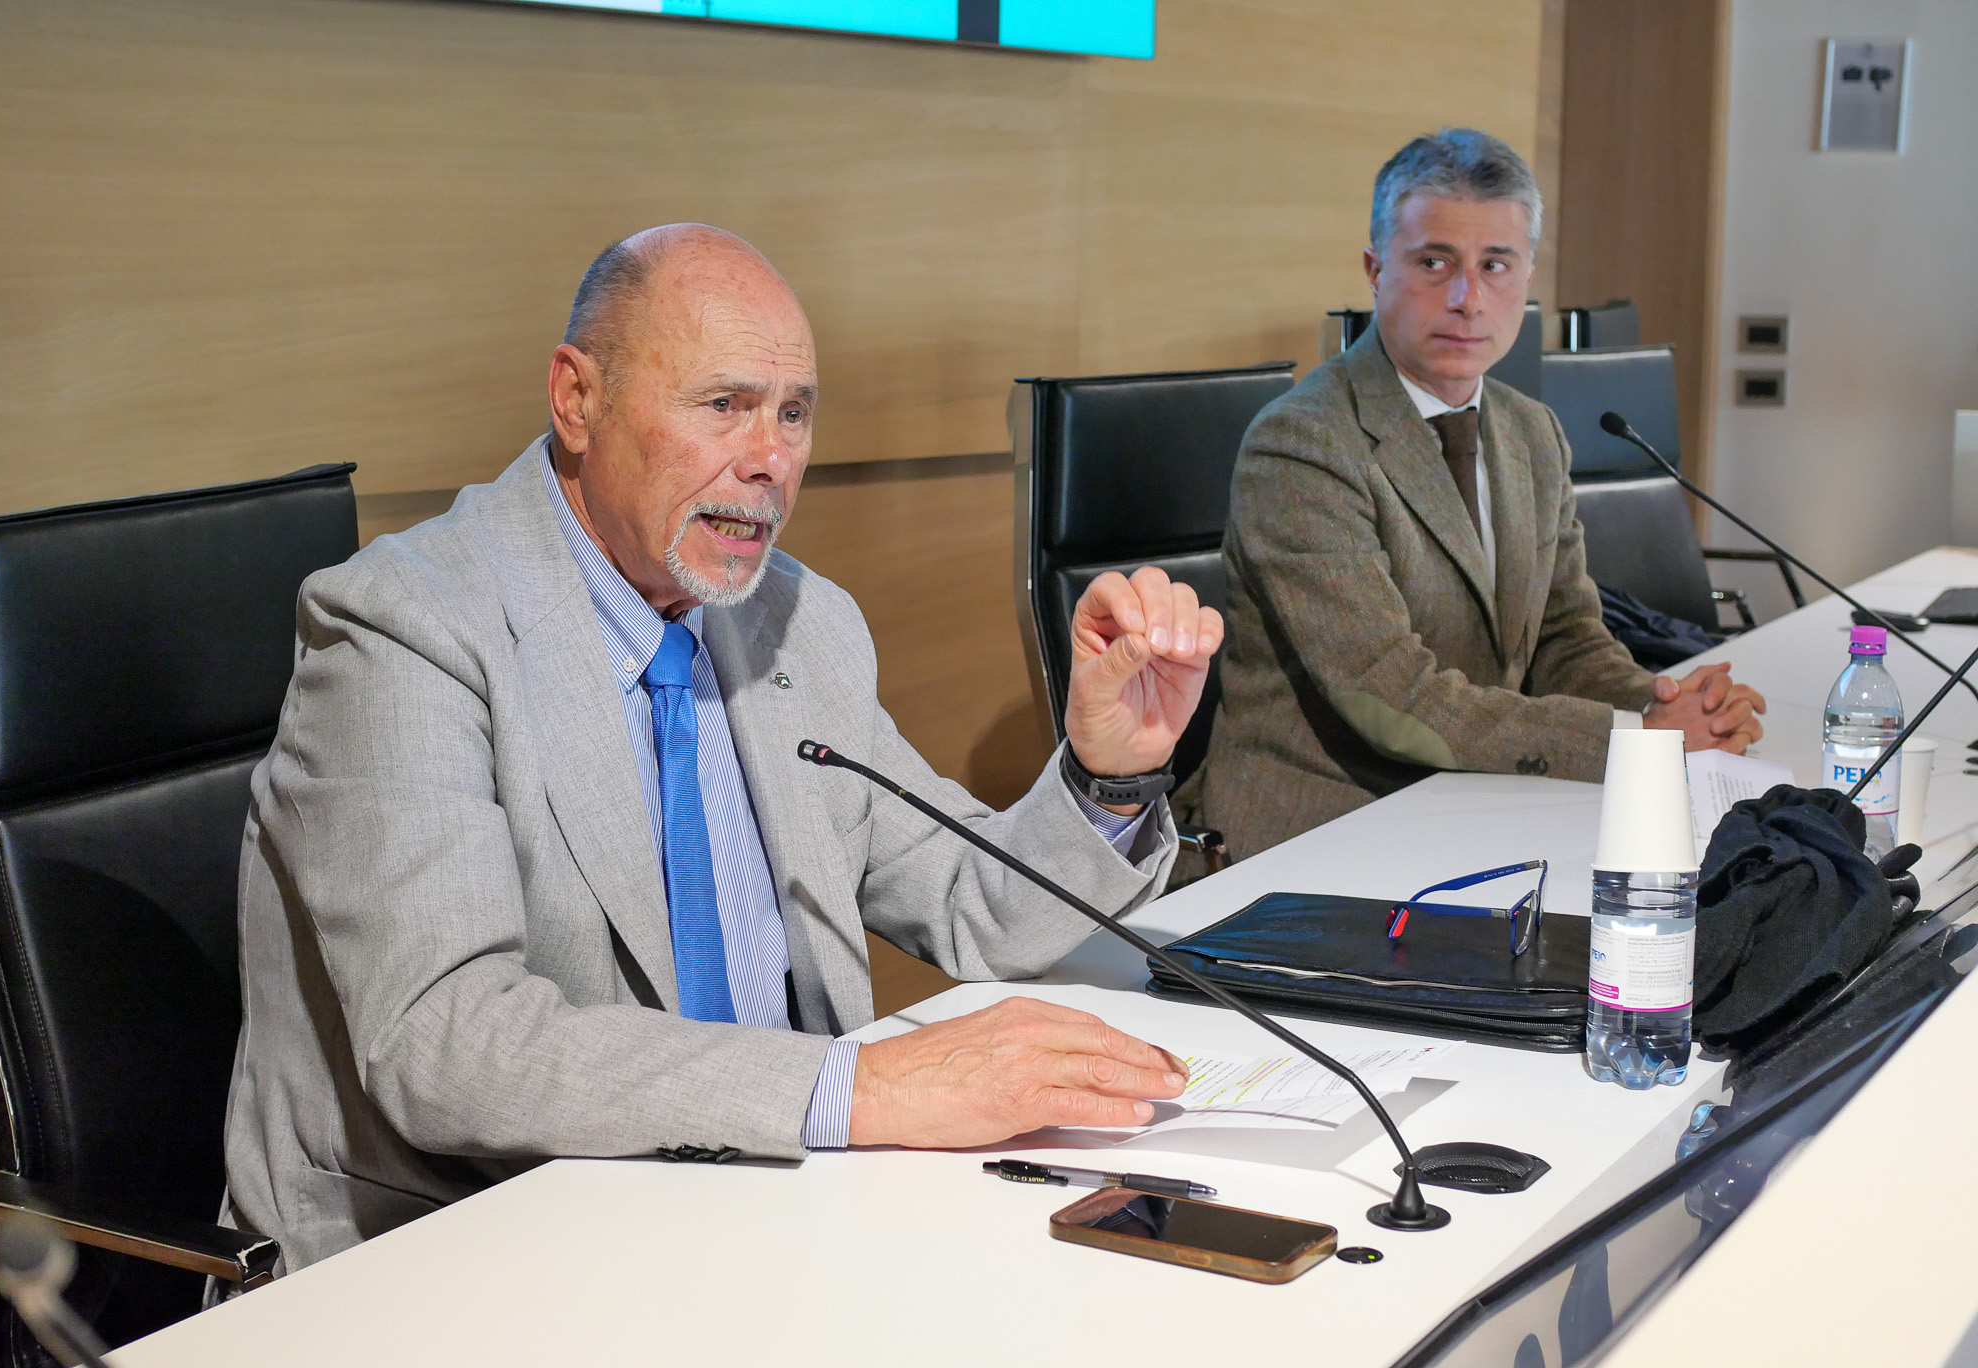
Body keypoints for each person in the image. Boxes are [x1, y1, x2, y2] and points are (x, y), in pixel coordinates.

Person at [225, 224, 1222, 1268]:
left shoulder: (798, 620)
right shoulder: (407, 628)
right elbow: (448, 1044)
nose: (769, 461)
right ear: (577, 399)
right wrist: (864, 1086)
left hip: (781, 1221)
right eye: (723, 405)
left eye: (792, 413)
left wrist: (1109, 774)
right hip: (472, 1254)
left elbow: (974, 907)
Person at [1181, 129, 1765, 860]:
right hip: (1325, 831)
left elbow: (1565, 639)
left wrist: (1666, 704)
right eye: (1435, 263)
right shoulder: (1303, 443)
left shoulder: (1532, 432)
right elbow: (1388, 694)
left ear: (1526, 280)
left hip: (1485, 806)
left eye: (1495, 266)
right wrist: (1638, 741)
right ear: (1375, 270)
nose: (1467, 299)